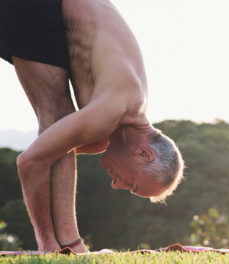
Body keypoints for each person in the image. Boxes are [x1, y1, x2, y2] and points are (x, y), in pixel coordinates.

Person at [0, 0, 184, 253]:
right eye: (131, 183)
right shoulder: (112, 111)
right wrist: (47, 240)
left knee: (60, 127)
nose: (116, 185)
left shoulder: (119, 118)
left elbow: (54, 152)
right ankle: (55, 245)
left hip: (54, 10)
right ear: (144, 154)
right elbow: (30, 163)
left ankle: (67, 243)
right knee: (54, 112)